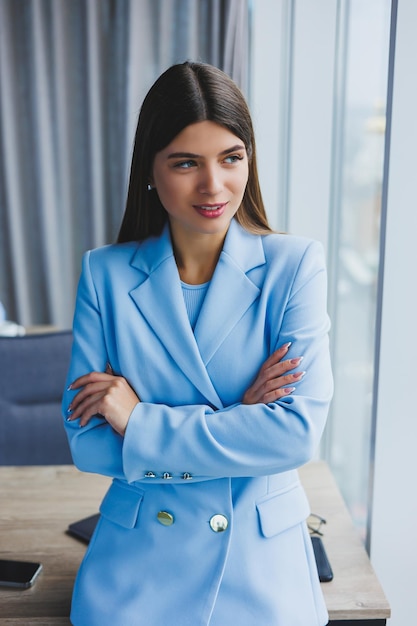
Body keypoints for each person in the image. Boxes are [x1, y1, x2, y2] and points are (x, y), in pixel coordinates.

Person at [63, 61, 333, 626]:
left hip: (261, 569)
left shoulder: (295, 267)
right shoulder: (105, 275)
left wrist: (139, 422)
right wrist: (241, 420)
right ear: (150, 172)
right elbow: (87, 444)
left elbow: (294, 434)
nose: (214, 186)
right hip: (136, 571)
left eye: (231, 158)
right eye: (186, 163)